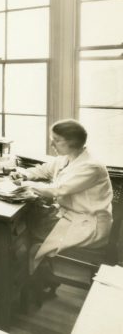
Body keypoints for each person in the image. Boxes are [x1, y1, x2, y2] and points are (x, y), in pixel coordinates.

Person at [11, 119, 112, 295]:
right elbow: (44, 170)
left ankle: (30, 280)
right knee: (25, 227)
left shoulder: (91, 166)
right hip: (71, 216)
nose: (52, 143)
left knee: (24, 232)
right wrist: (23, 173)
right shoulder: (67, 159)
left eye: (56, 140)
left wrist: (24, 184)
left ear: (72, 142)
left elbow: (58, 189)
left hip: (87, 224)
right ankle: (39, 277)